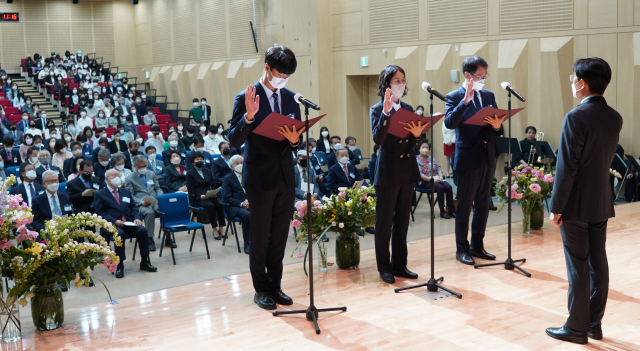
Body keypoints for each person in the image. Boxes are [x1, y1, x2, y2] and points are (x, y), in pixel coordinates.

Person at [545, 58, 622, 344]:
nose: (571, 81)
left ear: (582, 83)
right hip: (601, 199)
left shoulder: (575, 117)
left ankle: (576, 329)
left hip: (575, 203)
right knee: (598, 262)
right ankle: (593, 324)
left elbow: (567, 168)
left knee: (577, 265)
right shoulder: (614, 117)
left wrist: (556, 207)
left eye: (572, 77)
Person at [228, 44, 304, 310]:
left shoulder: (290, 98)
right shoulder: (247, 96)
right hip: (260, 177)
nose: (283, 80)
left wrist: (296, 141)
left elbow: (295, 139)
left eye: (287, 77)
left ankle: (275, 285)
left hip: (285, 176)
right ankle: (260, 289)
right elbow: (234, 139)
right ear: (267, 68)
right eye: (279, 74)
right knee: (260, 237)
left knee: (279, 237)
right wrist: (249, 117)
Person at [444, 55, 505, 266]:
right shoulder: (454, 96)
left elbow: (497, 128)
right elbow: (450, 123)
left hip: (487, 156)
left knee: (483, 204)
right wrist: (465, 102)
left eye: (486, 75)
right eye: (480, 76)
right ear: (468, 75)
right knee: (464, 206)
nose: (483, 79)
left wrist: (497, 126)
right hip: (468, 157)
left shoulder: (488, 95)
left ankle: (477, 245)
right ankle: (462, 249)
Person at [370, 65, 424, 284]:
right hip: (388, 170)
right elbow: (378, 139)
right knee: (384, 222)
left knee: (402, 221)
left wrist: (419, 136)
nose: (401, 84)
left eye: (403, 80)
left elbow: (413, 142)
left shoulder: (409, 107)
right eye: (396, 81)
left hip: (408, 169)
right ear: (387, 84)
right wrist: (385, 113)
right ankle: (384, 266)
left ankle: (400, 265)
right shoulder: (377, 109)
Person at [93, 169, 157, 278]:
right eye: (114, 175)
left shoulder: (125, 191)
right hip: (112, 224)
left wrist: (137, 218)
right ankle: (120, 264)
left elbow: (133, 207)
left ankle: (145, 261)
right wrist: (114, 221)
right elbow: (100, 213)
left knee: (142, 230)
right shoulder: (100, 194)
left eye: (118, 175)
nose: (117, 177)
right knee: (119, 234)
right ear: (107, 179)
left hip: (128, 222)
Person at [125, 155, 164, 251]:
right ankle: (150, 238)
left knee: (165, 210)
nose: (144, 168)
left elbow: (157, 188)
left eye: (145, 166)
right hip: (141, 203)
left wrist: (160, 197)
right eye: (141, 167)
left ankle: (168, 235)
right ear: (135, 166)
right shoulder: (129, 178)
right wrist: (141, 202)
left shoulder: (151, 173)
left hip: (154, 200)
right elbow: (130, 195)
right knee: (149, 213)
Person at [185, 151, 225, 239]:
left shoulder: (207, 171)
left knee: (219, 204)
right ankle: (214, 228)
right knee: (210, 206)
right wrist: (200, 196)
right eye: (197, 159)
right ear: (192, 162)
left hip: (209, 195)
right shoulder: (190, 174)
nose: (200, 161)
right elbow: (191, 190)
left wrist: (215, 193)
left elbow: (214, 185)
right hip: (198, 198)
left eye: (201, 159)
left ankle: (221, 228)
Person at [416, 141, 455, 219]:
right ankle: (442, 211)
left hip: (436, 178)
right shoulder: (417, 160)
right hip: (425, 181)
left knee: (449, 187)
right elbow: (420, 175)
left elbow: (438, 169)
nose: (425, 149)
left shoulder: (431, 158)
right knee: (440, 188)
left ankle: (451, 210)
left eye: (427, 147)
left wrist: (440, 177)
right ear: (419, 149)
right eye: (423, 147)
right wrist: (432, 179)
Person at [222, 155, 250, 254]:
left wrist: (249, 201)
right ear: (232, 166)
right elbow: (228, 198)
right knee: (247, 215)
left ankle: (262, 239)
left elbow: (254, 192)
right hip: (234, 207)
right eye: (237, 163)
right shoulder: (227, 179)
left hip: (250, 203)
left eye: (242, 163)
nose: (240, 165)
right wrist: (242, 203)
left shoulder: (248, 176)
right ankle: (247, 242)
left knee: (263, 210)